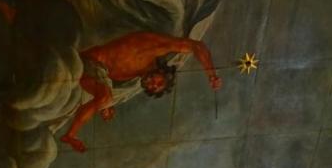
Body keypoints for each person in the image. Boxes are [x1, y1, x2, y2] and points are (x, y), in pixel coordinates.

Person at [61, 31, 222, 153]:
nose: (153, 85)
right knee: (105, 98)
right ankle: (71, 135)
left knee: (105, 99)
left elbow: (106, 76)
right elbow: (196, 46)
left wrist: (105, 106)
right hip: (90, 61)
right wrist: (212, 74)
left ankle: (71, 135)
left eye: (154, 88)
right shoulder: (152, 48)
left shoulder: (135, 76)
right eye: (159, 82)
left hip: (90, 71)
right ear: (162, 70)